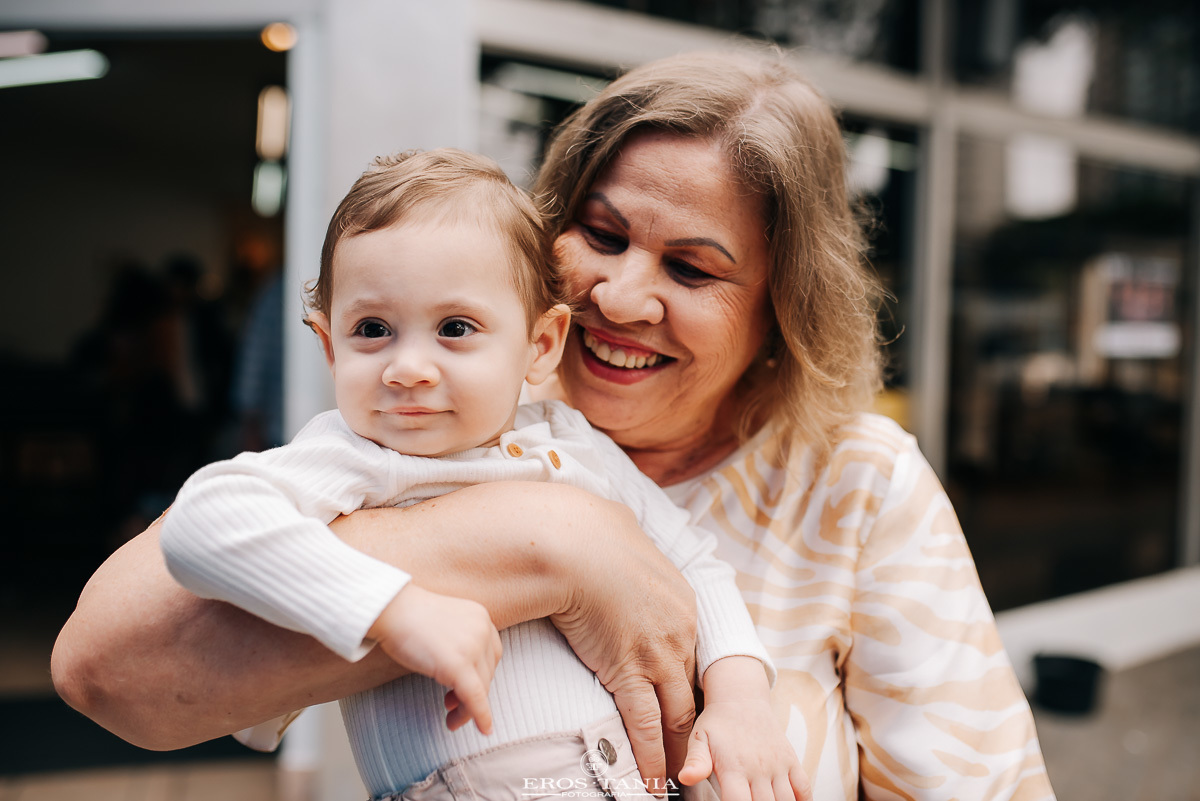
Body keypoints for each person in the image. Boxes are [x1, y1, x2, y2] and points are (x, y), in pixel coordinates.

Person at [51, 50, 1056, 800]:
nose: (621, 295)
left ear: (781, 310)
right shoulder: (427, 434)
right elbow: (109, 670)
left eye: (692, 268)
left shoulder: (853, 480)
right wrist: (559, 542)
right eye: (602, 234)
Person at [158, 147, 804, 801]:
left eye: (455, 327)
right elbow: (201, 522)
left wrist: (740, 698)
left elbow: (693, 560)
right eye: (372, 329)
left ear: (540, 344)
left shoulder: (571, 441)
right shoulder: (353, 455)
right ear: (329, 347)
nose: (408, 368)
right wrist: (393, 607)